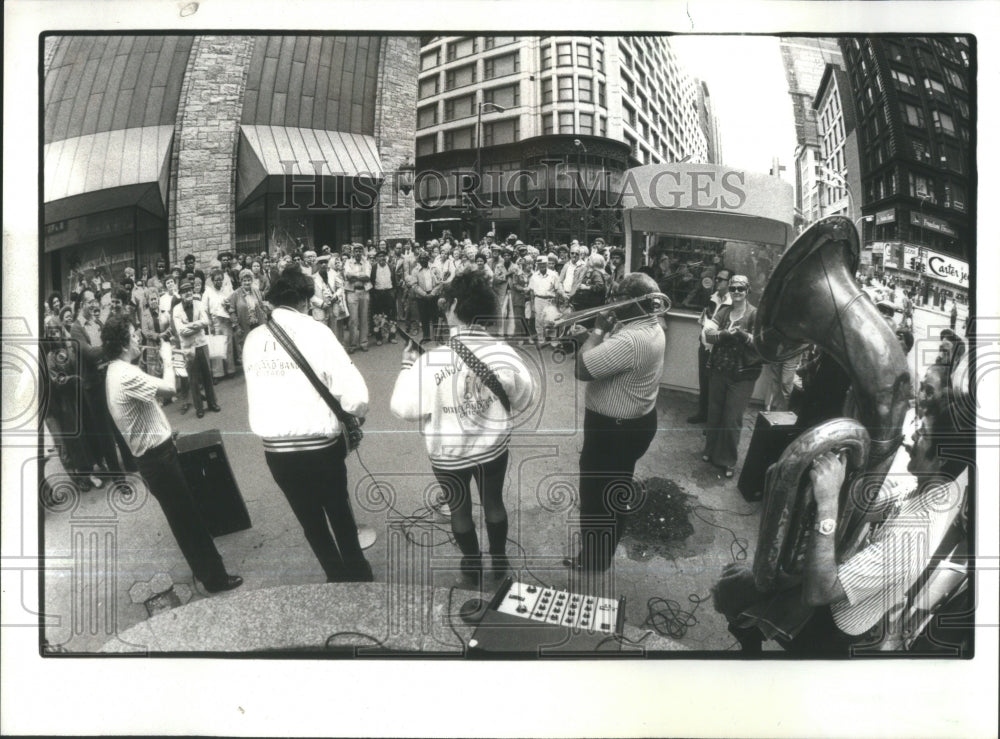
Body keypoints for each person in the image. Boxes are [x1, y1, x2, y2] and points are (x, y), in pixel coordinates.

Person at [714, 366, 972, 654]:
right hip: (838, 596)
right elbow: (884, 506)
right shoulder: (938, 486)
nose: (910, 436)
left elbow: (819, 592)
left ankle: (751, 656)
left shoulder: (914, 534)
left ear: (941, 459)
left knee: (735, 595)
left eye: (921, 435)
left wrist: (827, 502)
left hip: (830, 628)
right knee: (739, 585)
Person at [390, 271, 534, 582]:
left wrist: (407, 365)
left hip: (448, 452)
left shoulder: (431, 361)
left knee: (459, 509)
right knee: (494, 502)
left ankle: (472, 564)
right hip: (492, 446)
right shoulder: (504, 352)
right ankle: (499, 562)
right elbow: (525, 397)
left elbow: (403, 408)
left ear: (454, 305)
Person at [243, 268, 374, 583]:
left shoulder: (252, 339)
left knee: (310, 522)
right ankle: (358, 577)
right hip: (319, 446)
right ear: (304, 299)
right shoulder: (317, 331)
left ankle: (334, 576)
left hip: (276, 450)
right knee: (339, 515)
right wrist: (355, 414)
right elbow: (355, 397)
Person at [100, 314, 243, 594]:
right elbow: (169, 388)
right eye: (133, 333)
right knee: (188, 520)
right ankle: (214, 578)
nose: (138, 337)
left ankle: (207, 571)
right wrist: (168, 358)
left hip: (157, 454)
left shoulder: (118, 370)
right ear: (122, 343)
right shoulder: (126, 374)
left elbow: (150, 407)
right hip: (157, 458)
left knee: (184, 517)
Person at [564, 272, 666, 572]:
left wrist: (595, 333)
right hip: (633, 425)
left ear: (635, 301)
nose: (611, 303)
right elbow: (616, 355)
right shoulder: (651, 326)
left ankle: (593, 562)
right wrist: (594, 339)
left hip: (612, 431)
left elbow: (582, 370)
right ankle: (601, 555)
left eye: (617, 297)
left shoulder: (632, 338)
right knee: (614, 494)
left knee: (597, 499)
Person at [702, 274, 761, 478]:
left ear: (747, 291)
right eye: (733, 288)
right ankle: (710, 451)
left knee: (732, 418)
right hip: (719, 370)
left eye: (741, 289)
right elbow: (708, 334)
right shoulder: (724, 310)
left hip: (742, 375)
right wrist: (726, 334)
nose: (736, 292)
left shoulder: (754, 314)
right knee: (715, 413)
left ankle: (727, 460)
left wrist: (743, 336)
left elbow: (761, 344)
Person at [42, 316, 104, 491]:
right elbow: (55, 378)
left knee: (89, 431)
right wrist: (71, 379)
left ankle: (96, 465)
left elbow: (79, 364)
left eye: (57, 331)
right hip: (64, 403)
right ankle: (84, 475)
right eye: (51, 333)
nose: (55, 335)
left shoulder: (70, 347)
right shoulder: (50, 355)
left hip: (80, 397)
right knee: (74, 441)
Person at [687, 268, 732, 424]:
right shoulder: (712, 297)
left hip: (719, 349)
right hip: (705, 346)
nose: (717, 281)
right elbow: (704, 317)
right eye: (716, 278)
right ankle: (703, 413)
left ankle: (713, 421)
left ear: (730, 282)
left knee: (717, 386)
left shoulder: (732, 302)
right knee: (704, 381)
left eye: (721, 279)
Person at [171, 280, 220, 419]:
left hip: (202, 344)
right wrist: (197, 326)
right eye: (185, 291)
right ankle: (199, 408)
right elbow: (181, 331)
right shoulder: (176, 310)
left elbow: (206, 322)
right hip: (188, 348)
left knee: (207, 376)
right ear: (180, 294)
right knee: (193, 379)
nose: (188, 293)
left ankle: (212, 403)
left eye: (190, 290)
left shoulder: (199, 304)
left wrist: (191, 325)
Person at [202, 269, 235, 379]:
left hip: (226, 320)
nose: (218, 282)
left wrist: (228, 306)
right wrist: (210, 323)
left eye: (220, 280)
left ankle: (230, 370)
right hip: (214, 321)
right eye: (216, 280)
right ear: (212, 281)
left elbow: (230, 306)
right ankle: (218, 373)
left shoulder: (225, 292)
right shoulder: (208, 292)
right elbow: (204, 310)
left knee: (228, 345)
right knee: (217, 346)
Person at [227, 268, 267, 359]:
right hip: (245, 326)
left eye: (249, 280)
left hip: (258, 324)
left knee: (260, 347)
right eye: (244, 281)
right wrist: (236, 326)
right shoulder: (235, 294)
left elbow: (261, 305)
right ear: (241, 281)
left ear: (252, 280)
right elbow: (231, 311)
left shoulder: (256, 291)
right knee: (248, 349)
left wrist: (264, 315)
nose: (247, 283)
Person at [527, 254, 564, 349]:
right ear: (537, 265)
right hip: (538, 299)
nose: (542, 266)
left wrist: (558, 301)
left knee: (551, 321)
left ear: (547, 264)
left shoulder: (553, 275)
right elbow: (531, 291)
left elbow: (558, 289)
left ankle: (553, 342)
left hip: (550, 300)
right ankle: (541, 340)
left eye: (543, 264)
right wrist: (532, 304)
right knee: (538, 321)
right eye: (540, 264)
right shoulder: (534, 276)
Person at [343, 244, 372, 353]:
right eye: (356, 250)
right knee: (353, 320)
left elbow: (367, 276)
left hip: (364, 291)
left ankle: (364, 343)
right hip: (352, 292)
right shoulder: (347, 262)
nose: (358, 252)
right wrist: (360, 275)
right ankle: (353, 344)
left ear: (363, 251)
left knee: (364, 318)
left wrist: (354, 275)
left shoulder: (367, 262)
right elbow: (348, 276)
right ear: (353, 252)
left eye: (360, 250)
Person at [369, 250, 398, 346]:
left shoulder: (391, 267)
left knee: (391, 316)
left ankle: (392, 336)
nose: (382, 258)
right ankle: (379, 338)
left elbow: (394, 282)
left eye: (383, 256)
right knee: (377, 316)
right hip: (377, 294)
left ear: (386, 257)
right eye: (379, 256)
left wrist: (393, 293)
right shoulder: (373, 268)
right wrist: (373, 295)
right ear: (377, 258)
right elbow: (371, 282)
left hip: (389, 293)